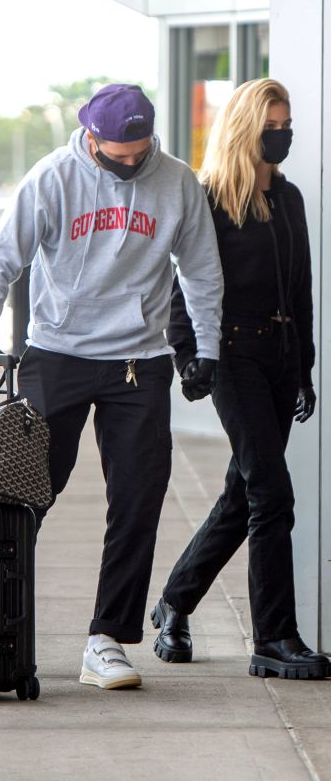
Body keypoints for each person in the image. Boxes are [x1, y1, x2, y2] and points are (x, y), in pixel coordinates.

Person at [0, 83, 223, 689]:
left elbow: (202, 269)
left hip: (141, 360)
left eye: (141, 153)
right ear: (90, 137)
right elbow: (1, 256)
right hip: (58, 355)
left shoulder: (178, 182)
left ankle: (106, 639)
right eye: (117, 154)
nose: (131, 164)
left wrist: (205, 351)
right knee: (26, 493)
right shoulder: (54, 177)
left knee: (138, 499)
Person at [152, 78, 331, 680]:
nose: (281, 135)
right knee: (271, 494)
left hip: (280, 357)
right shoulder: (209, 200)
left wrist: (304, 367)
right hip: (233, 357)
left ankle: (174, 603)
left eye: (286, 125)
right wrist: (188, 356)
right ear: (245, 129)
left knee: (244, 493)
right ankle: (274, 638)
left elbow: (300, 290)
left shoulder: (291, 198)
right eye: (272, 126)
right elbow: (186, 289)